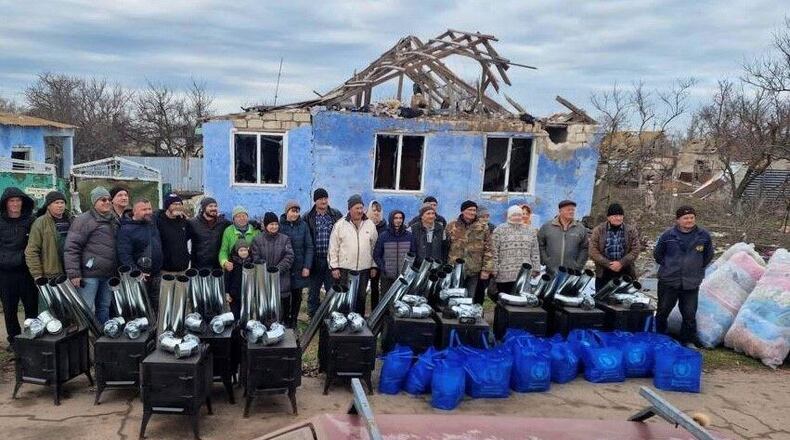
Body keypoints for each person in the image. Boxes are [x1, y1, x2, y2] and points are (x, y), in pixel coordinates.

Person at [653, 206, 713, 348]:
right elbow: (658, 255)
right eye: (686, 218)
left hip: (691, 282)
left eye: (692, 217)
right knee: (662, 311)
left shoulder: (703, 236)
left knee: (689, 314)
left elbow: (708, 256)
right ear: (678, 220)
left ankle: (687, 340)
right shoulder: (668, 235)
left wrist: (695, 268)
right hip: (669, 281)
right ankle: (660, 337)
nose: (689, 220)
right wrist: (669, 266)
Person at [64, 186, 119, 324]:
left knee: (104, 308)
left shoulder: (113, 220)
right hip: (89, 275)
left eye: (109, 199)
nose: (107, 202)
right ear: (94, 202)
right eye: (103, 199)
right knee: (86, 309)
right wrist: (74, 274)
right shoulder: (83, 220)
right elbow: (71, 247)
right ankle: (84, 341)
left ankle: (102, 340)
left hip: (108, 274)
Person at [328, 194, 378, 315]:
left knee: (361, 298)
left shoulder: (370, 225)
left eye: (361, 208)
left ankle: (358, 324)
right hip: (345, 269)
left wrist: (373, 266)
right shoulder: (340, 225)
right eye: (357, 208)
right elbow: (333, 248)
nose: (360, 211)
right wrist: (334, 267)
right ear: (350, 209)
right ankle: (343, 322)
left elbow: (375, 247)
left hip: (364, 269)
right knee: (344, 297)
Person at [0, 187, 36, 350]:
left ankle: (31, 336)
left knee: (31, 306)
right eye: (12, 201)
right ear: (6, 204)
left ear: (23, 202)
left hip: (26, 271)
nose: (15, 204)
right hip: (5, 273)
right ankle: (14, 339)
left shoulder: (31, 221)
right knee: (9, 308)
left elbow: (35, 245)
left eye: (18, 200)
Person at [117, 198, 163, 309]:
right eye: (144, 209)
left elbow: (164, 212)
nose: (148, 212)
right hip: (139, 278)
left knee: (158, 307)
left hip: (156, 275)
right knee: (142, 308)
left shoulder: (151, 223)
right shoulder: (126, 229)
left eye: (149, 209)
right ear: (134, 211)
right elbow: (124, 255)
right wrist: (137, 272)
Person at [303, 188, 342, 317]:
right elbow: (305, 240)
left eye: (325, 198)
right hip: (315, 259)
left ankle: (331, 316)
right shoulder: (308, 217)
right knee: (313, 291)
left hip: (331, 260)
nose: (323, 201)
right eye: (320, 199)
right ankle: (313, 317)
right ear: (315, 201)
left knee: (331, 290)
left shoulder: (336, 215)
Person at [446, 200, 494, 305]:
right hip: (455, 269)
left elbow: (489, 249)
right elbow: (445, 247)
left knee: (469, 297)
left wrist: (486, 269)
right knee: (454, 296)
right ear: (463, 211)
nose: (472, 212)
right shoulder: (452, 226)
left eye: (474, 210)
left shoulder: (483, 227)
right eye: (470, 210)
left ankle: (467, 316)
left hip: (474, 269)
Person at [251, 212, 294, 325]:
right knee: (265, 310)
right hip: (264, 281)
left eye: (276, 224)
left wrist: (277, 270)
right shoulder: (257, 240)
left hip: (282, 280)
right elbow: (255, 258)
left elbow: (289, 256)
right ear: (265, 226)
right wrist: (265, 270)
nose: (274, 226)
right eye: (271, 224)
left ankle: (282, 328)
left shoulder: (285, 239)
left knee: (282, 310)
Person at [589, 203, 641, 291]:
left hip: (625, 271)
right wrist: (608, 264)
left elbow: (635, 250)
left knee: (623, 300)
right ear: (608, 217)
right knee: (601, 300)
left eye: (620, 215)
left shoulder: (631, 231)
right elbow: (592, 251)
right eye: (615, 216)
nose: (618, 218)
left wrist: (621, 263)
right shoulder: (598, 230)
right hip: (604, 272)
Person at [491, 205, 541, 297]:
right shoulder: (499, 230)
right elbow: (494, 251)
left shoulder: (530, 230)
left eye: (519, 215)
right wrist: (494, 269)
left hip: (524, 274)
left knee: (521, 302)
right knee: (504, 301)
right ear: (509, 216)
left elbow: (535, 251)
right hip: (504, 274)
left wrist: (536, 268)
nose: (517, 217)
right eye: (514, 215)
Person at [279, 200, 313, 327]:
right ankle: (284, 319)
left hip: (299, 266)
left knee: (297, 295)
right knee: (285, 295)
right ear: (287, 211)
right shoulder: (280, 225)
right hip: (285, 267)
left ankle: (293, 319)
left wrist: (307, 266)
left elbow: (309, 246)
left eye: (297, 211)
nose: (295, 214)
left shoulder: (303, 226)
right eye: (292, 211)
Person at [25, 191, 72, 281]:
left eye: (62, 202)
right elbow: (32, 251)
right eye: (56, 203)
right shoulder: (40, 223)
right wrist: (37, 274)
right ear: (48, 205)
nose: (60, 205)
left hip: (70, 273)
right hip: (50, 275)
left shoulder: (72, 220)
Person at [537, 200, 589, 274]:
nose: (571, 212)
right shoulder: (547, 227)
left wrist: (578, 265)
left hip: (571, 273)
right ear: (560, 211)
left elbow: (584, 248)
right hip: (550, 271)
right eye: (568, 209)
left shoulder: (580, 228)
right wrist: (545, 260)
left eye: (573, 210)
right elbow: (540, 245)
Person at [373, 210, 413, 298]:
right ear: (391, 219)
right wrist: (384, 268)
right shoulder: (383, 236)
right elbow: (376, 255)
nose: (398, 220)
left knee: (401, 300)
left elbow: (413, 253)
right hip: (387, 276)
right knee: (386, 300)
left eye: (400, 218)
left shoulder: (409, 236)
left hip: (404, 276)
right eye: (395, 218)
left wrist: (408, 269)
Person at [188, 197, 231, 270]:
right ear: (203, 208)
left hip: (217, 267)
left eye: (215, 206)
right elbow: (181, 239)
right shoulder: (192, 223)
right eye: (210, 206)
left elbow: (236, 226)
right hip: (198, 267)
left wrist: (252, 224)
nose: (214, 208)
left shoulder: (223, 223)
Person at [155, 193, 190, 275]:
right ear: (167, 205)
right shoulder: (158, 221)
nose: (178, 206)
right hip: (165, 270)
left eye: (179, 204)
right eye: (174, 204)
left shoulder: (184, 221)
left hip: (183, 269)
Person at [219, 206, 260, 273]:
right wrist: (224, 262)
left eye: (244, 216)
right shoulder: (228, 231)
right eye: (238, 216)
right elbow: (223, 251)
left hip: (251, 268)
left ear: (247, 217)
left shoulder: (255, 230)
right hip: (234, 268)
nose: (241, 218)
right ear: (233, 219)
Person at [224, 240, 252, 319]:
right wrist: (227, 293)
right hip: (234, 294)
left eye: (245, 250)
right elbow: (227, 279)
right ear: (237, 251)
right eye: (241, 250)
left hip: (247, 293)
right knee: (235, 315)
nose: (244, 252)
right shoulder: (231, 263)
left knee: (246, 315)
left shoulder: (251, 262)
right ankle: (236, 330)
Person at [367, 200, 386, 311]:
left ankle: (374, 311)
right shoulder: (365, 224)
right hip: (365, 261)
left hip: (378, 262)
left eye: (378, 211)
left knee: (375, 288)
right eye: (374, 210)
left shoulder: (384, 226)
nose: (376, 213)